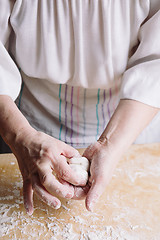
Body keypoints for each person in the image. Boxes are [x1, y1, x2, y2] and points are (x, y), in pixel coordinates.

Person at [0, 0, 160, 215]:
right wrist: (21, 136)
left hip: (130, 125)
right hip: (28, 119)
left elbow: (155, 65)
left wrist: (109, 144)